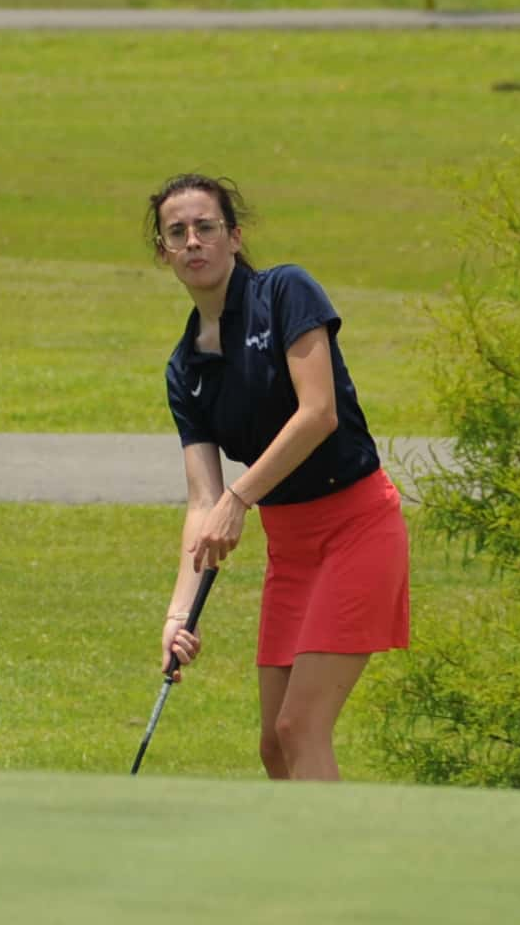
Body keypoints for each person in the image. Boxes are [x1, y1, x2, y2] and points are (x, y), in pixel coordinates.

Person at [151, 173, 411, 783]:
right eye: (177, 232)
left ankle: (332, 879)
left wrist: (242, 497)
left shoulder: (286, 292)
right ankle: (299, 869)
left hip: (358, 525)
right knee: (273, 746)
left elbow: (317, 414)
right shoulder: (184, 368)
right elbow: (202, 502)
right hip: (292, 551)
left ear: (234, 237)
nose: (193, 242)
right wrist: (177, 618)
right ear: (163, 251)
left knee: (301, 728)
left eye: (206, 228)